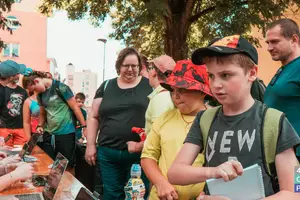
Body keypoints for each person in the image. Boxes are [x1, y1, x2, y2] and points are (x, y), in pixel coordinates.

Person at [167, 35, 300, 199]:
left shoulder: (274, 121)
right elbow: (174, 173)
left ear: (252, 73)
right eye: (211, 76)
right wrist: (213, 172)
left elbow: (294, 192)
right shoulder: (205, 119)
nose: (216, 84)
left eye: (226, 75)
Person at [85, 47, 153, 200]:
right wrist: (90, 145)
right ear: (119, 66)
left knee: (138, 196)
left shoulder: (149, 86)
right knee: (111, 195)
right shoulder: (106, 86)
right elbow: (93, 116)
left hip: (139, 154)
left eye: (134, 66)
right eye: (126, 65)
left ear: (139, 67)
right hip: (108, 153)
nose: (130, 69)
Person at [141, 60, 213, 200]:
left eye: (183, 89)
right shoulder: (163, 119)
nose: (176, 95)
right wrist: (160, 183)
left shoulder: (215, 121)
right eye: (173, 90)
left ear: (202, 92)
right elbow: (148, 157)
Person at [22, 71, 87, 174]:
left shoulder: (61, 88)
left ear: (36, 81)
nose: (35, 92)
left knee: (67, 167)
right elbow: (43, 113)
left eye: (34, 89)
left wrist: (84, 126)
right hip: (49, 134)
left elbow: (75, 108)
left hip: (66, 134)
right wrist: (40, 125)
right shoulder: (40, 95)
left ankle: (68, 189)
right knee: (49, 165)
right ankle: (54, 189)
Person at [264, 18, 300, 162]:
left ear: (294, 40)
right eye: (268, 43)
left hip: (297, 157)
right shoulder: (284, 69)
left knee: (296, 186)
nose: (269, 48)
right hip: (282, 154)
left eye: (275, 41)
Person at [145, 55, 175, 135]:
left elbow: (158, 135)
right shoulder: (168, 94)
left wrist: (137, 146)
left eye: (149, 69)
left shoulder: (161, 98)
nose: (148, 73)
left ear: (154, 72)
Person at [0, 66, 28, 145]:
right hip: (4, 128)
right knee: (5, 153)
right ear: (10, 75)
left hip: (20, 128)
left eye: (19, 73)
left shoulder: (23, 91)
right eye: (16, 74)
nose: (18, 76)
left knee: (20, 153)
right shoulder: (2, 89)